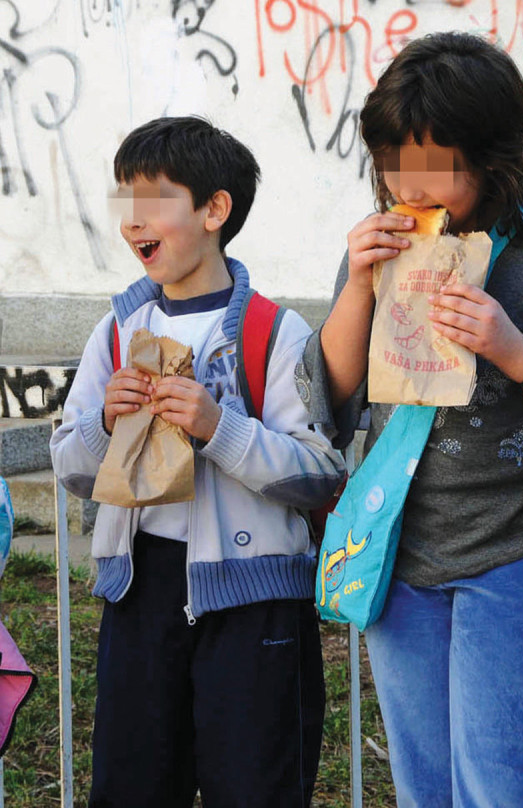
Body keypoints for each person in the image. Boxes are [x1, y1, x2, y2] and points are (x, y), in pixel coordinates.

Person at [297, 31, 523, 807]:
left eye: (433, 166)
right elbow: (333, 401)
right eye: (392, 164)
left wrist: (516, 353)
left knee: (500, 788)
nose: (408, 187)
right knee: (425, 788)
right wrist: (356, 284)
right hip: (399, 550)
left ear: (491, 153)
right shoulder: (386, 244)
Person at [50, 116, 345, 808]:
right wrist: (105, 423)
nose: (132, 222)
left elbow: (319, 474)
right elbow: (69, 462)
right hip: (139, 592)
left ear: (216, 209)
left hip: (255, 602)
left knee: (256, 786)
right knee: (132, 783)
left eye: (152, 202)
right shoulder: (120, 328)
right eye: (124, 202)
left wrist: (218, 427)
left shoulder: (276, 331)